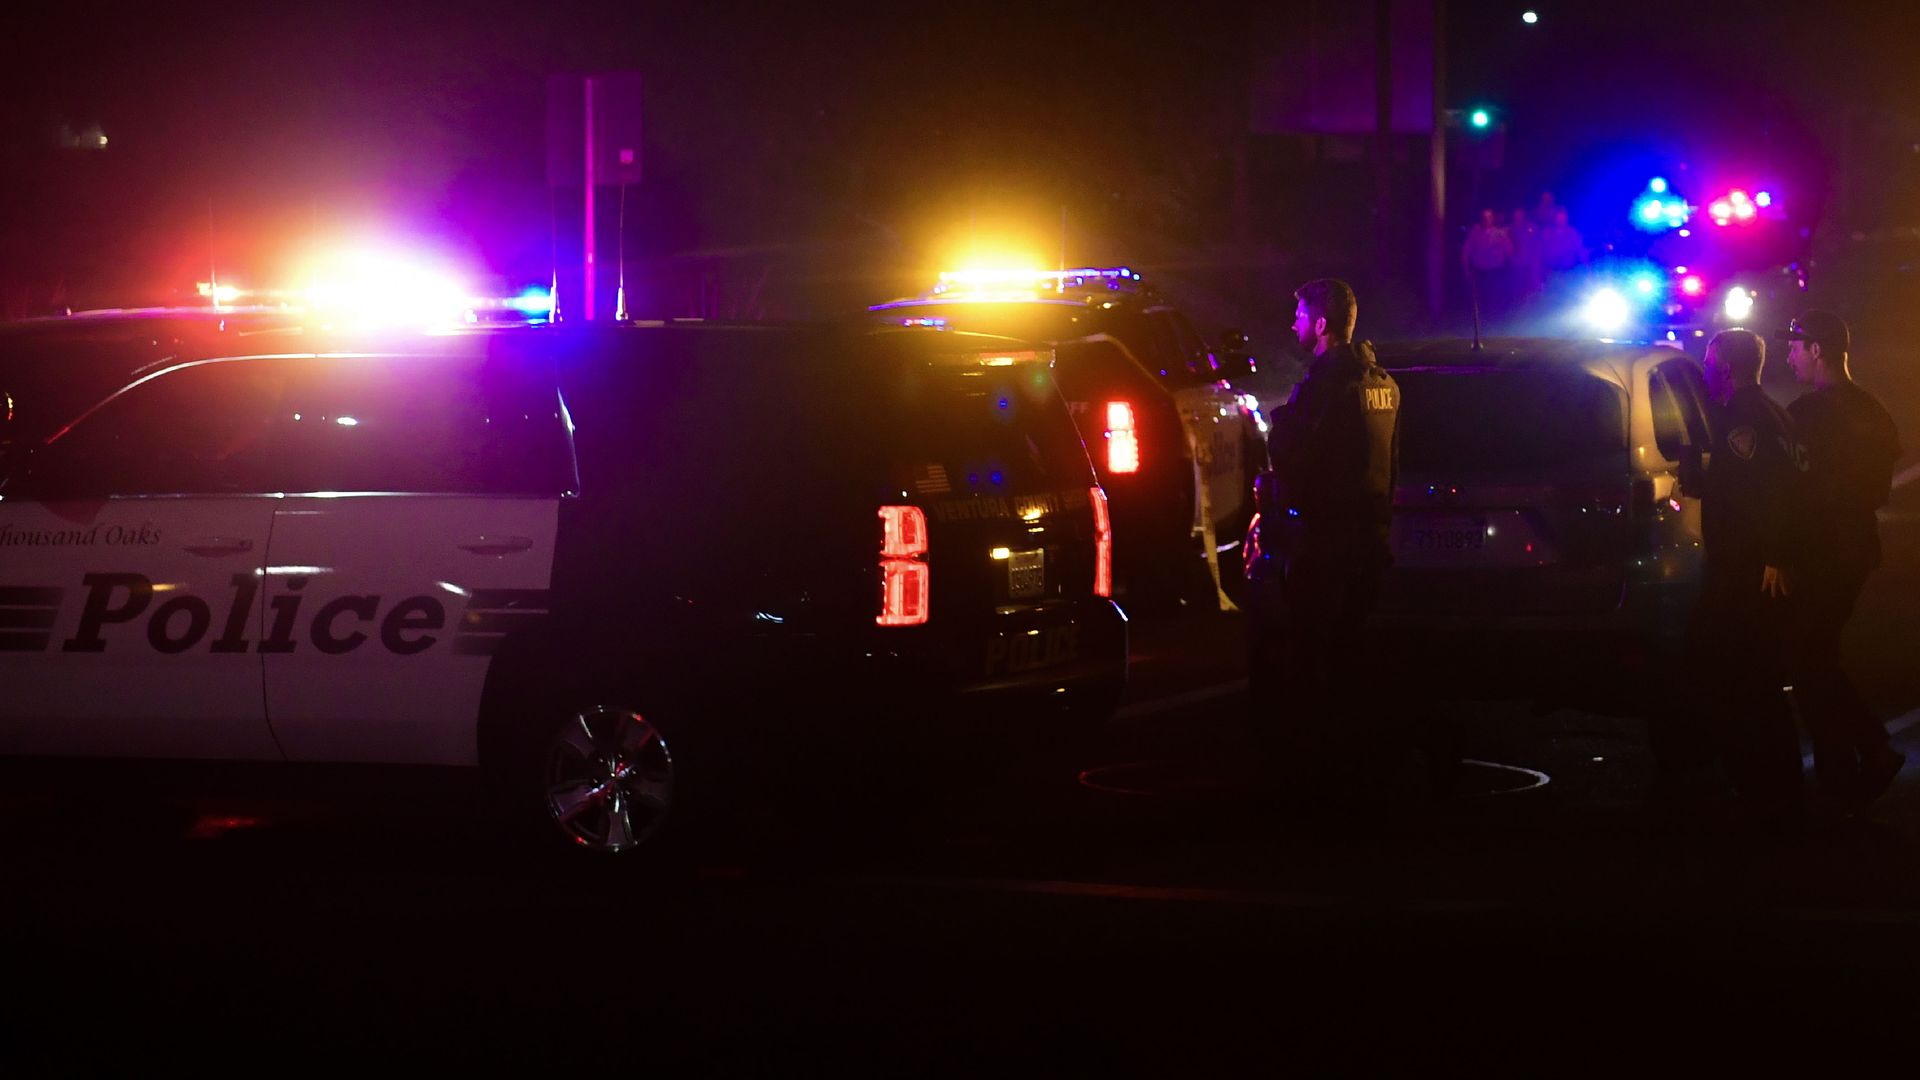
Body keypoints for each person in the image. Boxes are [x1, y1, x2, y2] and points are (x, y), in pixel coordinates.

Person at [1255, 278, 1401, 792]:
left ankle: (1322, 771)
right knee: (1352, 655)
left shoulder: (1328, 387)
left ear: (1321, 325)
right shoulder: (1382, 382)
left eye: (1298, 316)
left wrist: (1276, 437)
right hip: (1370, 540)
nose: (1292, 324)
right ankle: (1358, 760)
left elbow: (1296, 456)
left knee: (1315, 658)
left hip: (1328, 543)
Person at [1777, 310, 1906, 812]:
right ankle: (1843, 766)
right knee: (1815, 656)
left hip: (1822, 552)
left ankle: (1867, 750)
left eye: (1794, 346)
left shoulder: (1810, 414)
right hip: (1854, 547)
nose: (1789, 355)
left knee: (1808, 655)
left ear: (1817, 350)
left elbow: (1794, 489)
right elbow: (1878, 486)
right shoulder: (1873, 409)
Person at [1675, 329, 1804, 824]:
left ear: (1726, 365)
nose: (1705, 370)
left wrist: (1775, 552)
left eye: (1709, 361)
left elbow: (1771, 492)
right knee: (1755, 680)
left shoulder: (1743, 419)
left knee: (1734, 677)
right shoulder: (1772, 412)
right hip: (1750, 566)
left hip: (1746, 570)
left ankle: (1760, 793)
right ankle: (1772, 790)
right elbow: (1743, 485)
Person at [1461, 209, 1514, 319]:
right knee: (1482, 294)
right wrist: (1466, 269)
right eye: (1484, 217)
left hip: (1496, 268)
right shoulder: (1475, 233)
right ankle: (1484, 316)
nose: (1486, 219)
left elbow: (1509, 249)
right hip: (1480, 269)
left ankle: (1497, 316)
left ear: (1492, 218)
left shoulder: (1499, 233)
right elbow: (1466, 251)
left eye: (1489, 217)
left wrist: (1506, 258)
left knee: (1495, 293)